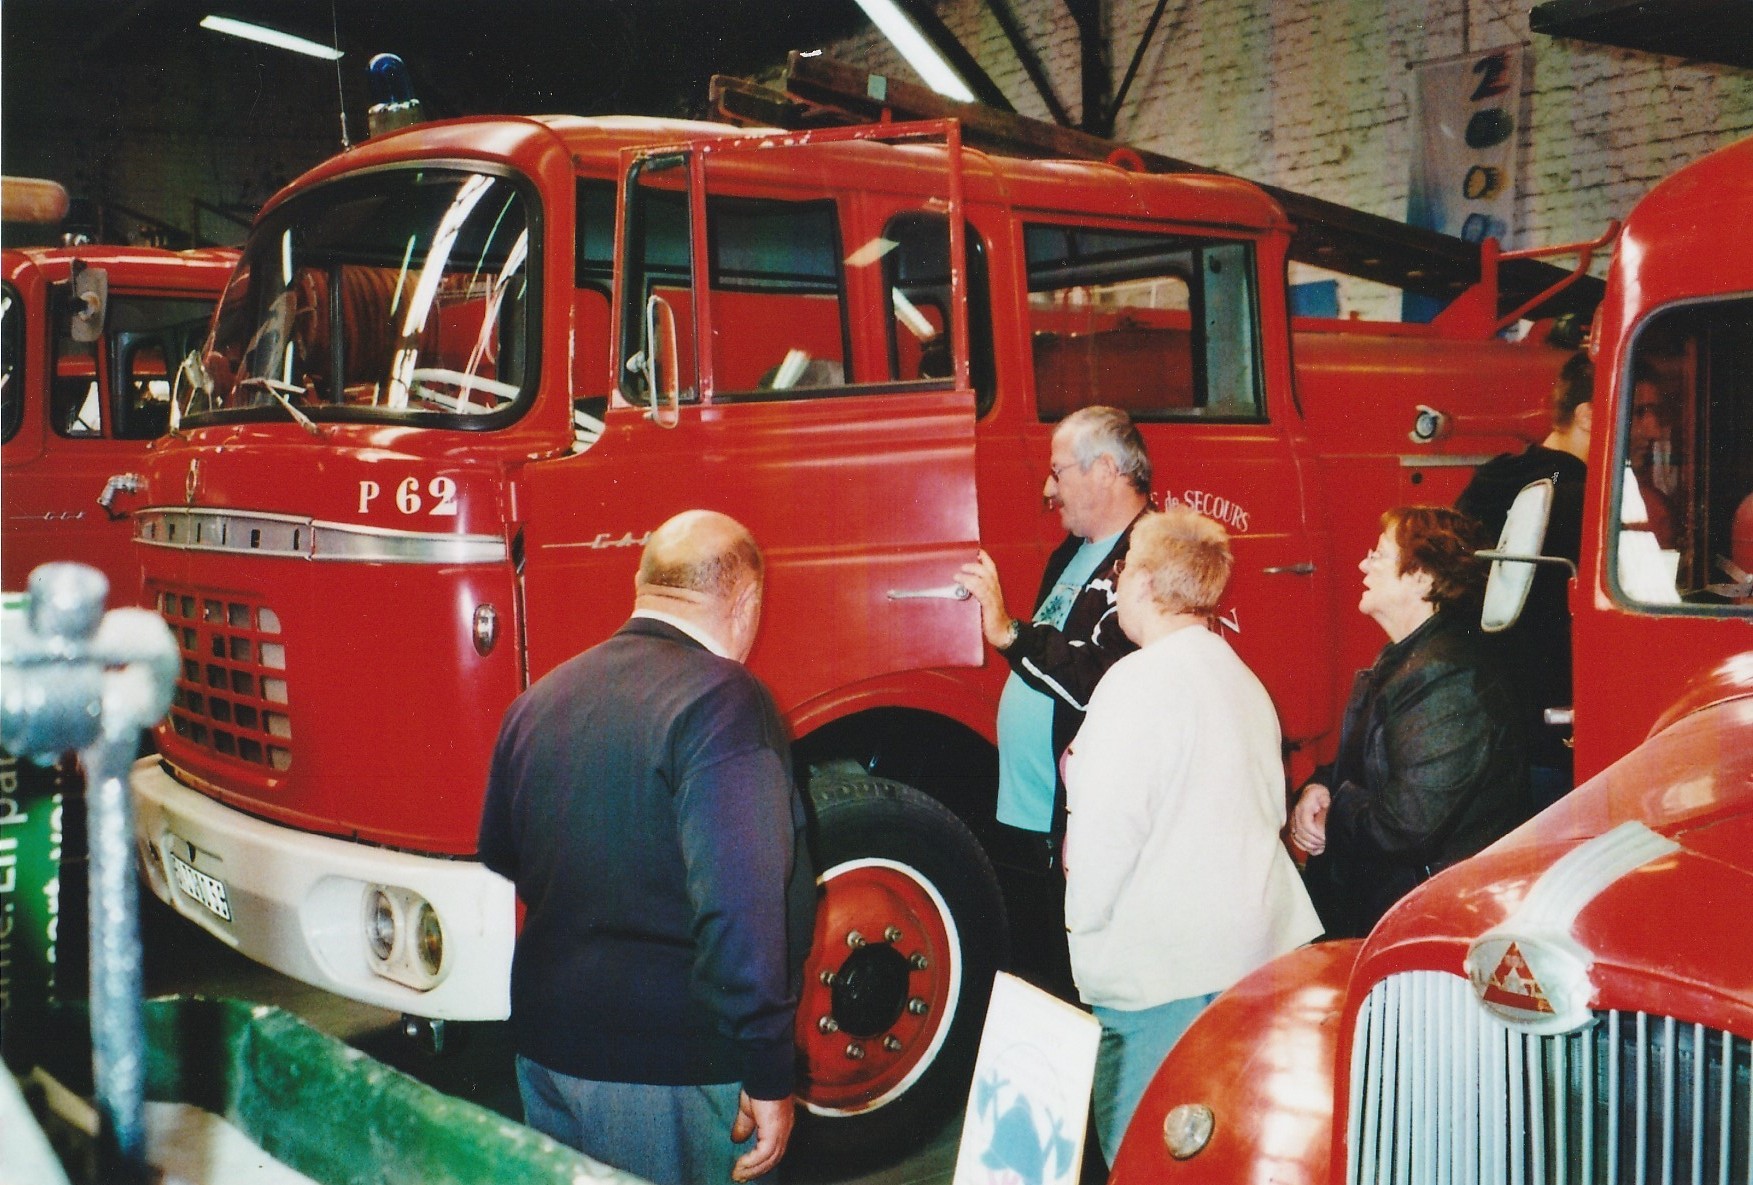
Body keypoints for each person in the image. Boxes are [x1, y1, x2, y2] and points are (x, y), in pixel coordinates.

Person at [477, 510, 817, 1185]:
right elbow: (741, 904)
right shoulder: (724, 701)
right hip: (667, 1070)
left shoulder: (543, 696)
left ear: (642, 585)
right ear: (747, 600)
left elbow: (505, 854)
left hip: (548, 1048)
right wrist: (769, 1066)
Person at [1061, 506, 1321, 1164]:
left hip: (1161, 978)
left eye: (1121, 569)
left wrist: (1081, 931)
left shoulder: (1134, 682)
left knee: (1146, 1160)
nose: (1116, 583)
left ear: (1146, 583)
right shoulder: (1241, 680)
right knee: (1230, 1151)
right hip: (1253, 958)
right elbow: (1264, 807)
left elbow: (1106, 839)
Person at [955, 405, 1150, 993]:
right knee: (1037, 985)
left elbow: (1102, 683)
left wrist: (1011, 634)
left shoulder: (1146, 559)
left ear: (1106, 470)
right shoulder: (1069, 554)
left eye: (1058, 472)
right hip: (1030, 817)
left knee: (1074, 992)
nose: (1047, 489)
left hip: (1075, 829)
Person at [1289, 506, 1531, 940]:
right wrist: (1318, 787)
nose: (1363, 565)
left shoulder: (1449, 676)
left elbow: (1406, 825)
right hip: (1391, 907)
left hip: (1424, 922)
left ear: (1421, 577)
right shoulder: (1409, 657)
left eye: (1378, 555)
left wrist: (1335, 810)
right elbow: (1368, 761)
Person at [1455, 351, 1592, 805]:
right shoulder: (1583, 496)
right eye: (1642, 411)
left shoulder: (1496, 476)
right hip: (1552, 726)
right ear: (1588, 416)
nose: (1649, 429)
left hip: (1486, 712)